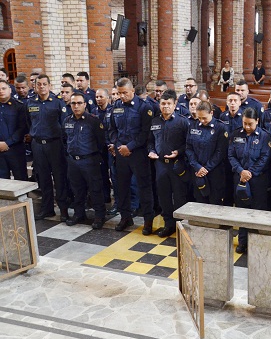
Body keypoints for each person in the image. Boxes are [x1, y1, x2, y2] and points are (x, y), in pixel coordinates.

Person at [109, 77, 155, 233]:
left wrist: (130, 146)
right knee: (121, 187)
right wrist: (118, 145)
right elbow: (112, 130)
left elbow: (146, 133)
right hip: (121, 153)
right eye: (119, 93)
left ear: (133, 91)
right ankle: (125, 217)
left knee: (144, 187)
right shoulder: (116, 107)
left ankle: (148, 220)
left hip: (138, 154)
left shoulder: (144, 107)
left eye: (125, 93)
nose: (122, 96)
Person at [227, 107, 271, 253]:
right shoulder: (235, 135)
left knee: (257, 210)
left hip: (257, 179)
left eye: (250, 124)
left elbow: (264, 157)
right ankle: (243, 241)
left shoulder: (264, 136)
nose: (247, 127)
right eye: (245, 123)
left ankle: (256, 242)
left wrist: (250, 173)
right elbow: (231, 155)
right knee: (242, 210)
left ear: (257, 121)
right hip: (240, 178)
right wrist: (241, 171)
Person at [26, 74, 69, 221]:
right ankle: (47, 209)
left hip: (55, 145)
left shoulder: (57, 103)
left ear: (49, 86)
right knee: (43, 179)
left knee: (59, 178)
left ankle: (63, 210)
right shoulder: (31, 103)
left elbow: (64, 125)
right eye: (39, 84)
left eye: (44, 84)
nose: (42, 87)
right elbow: (28, 123)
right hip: (38, 145)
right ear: (35, 86)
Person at [148, 90, 190, 237]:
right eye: (163, 103)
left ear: (175, 104)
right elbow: (151, 141)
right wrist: (151, 151)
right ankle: (168, 224)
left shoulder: (183, 122)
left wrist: (178, 152)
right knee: (163, 196)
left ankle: (181, 227)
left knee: (179, 197)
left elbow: (188, 144)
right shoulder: (155, 121)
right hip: (160, 165)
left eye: (169, 104)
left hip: (176, 165)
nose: (165, 106)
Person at [63, 92, 106, 229]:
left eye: (79, 103)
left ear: (85, 104)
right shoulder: (67, 120)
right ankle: (79, 213)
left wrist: (93, 155)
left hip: (89, 160)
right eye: (73, 103)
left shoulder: (93, 121)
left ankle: (99, 216)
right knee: (77, 189)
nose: (76, 106)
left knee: (95, 189)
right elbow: (65, 140)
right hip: (73, 161)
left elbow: (101, 142)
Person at [186, 101, 229, 204]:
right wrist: (197, 166)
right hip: (197, 171)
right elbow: (188, 148)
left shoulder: (220, 127)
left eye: (204, 118)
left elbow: (220, 152)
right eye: (199, 118)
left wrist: (206, 168)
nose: (201, 120)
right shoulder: (193, 126)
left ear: (211, 113)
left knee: (215, 202)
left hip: (214, 172)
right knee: (200, 201)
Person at [0, 80, 28, 181]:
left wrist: (7, 143)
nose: (1, 91)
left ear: (10, 90)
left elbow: (22, 128)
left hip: (16, 149)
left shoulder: (19, 106)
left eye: (3, 88)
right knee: (2, 183)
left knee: (21, 180)